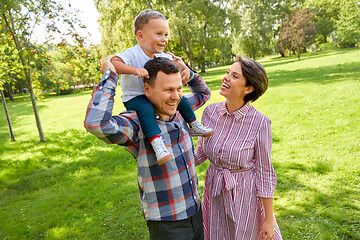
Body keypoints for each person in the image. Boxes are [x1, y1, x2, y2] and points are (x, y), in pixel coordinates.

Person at [85, 56, 207, 240]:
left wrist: (187, 71)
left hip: (196, 212)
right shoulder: (136, 124)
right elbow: (96, 123)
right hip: (168, 224)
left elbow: (203, 93)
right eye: (168, 90)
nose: (176, 96)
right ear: (147, 89)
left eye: (179, 88)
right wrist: (110, 75)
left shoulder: (179, 110)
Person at [108, 9, 213, 165]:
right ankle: (157, 143)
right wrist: (134, 70)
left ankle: (193, 124)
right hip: (136, 97)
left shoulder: (162, 55)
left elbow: (175, 65)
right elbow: (114, 63)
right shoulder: (132, 53)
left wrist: (183, 68)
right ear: (140, 36)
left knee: (181, 99)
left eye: (166, 35)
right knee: (146, 110)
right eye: (158, 34)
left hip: (157, 96)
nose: (164, 39)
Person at [195, 57, 283, 240]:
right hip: (214, 190)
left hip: (246, 196)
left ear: (248, 88)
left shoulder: (260, 123)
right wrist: (174, 163)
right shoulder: (210, 113)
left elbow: (264, 172)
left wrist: (268, 219)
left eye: (234, 76)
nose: (226, 77)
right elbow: (201, 152)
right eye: (228, 72)